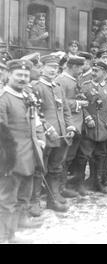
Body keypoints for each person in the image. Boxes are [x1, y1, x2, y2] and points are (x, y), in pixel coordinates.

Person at [0, 59, 45, 243]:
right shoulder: (4, 99)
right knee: (7, 199)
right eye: (19, 75)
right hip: (10, 158)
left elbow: (34, 122)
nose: (23, 79)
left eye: (26, 76)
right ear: (9, 75)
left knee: (23, 195)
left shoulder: (25, 95)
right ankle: (4, 236)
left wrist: (39, 140)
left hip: (28, 154)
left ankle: (16, 227)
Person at [30, 55, 76, 215]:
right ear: (42, 68)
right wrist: (48, 129)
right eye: (49, 67)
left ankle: (52, 198)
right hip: (45, 136)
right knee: (39, 169)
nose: (52, 70)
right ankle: (34, 202)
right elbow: (35, 113)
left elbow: (65, 110)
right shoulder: (36, 87)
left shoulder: (58, 87)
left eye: (55, 68)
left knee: (56, 168)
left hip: (61, 136)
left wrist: (70, 126)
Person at [75, 60, 107, 194]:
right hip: (88, 128)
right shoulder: (85, 86)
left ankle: (97, 182)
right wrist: (87, 117)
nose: (93, 73)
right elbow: (80, 103)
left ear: (105, 73)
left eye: (97, 71)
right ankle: (80, 184)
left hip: (104, 128)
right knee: (84, 155)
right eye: (93, 70)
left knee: (101, 155)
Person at [55, 56, 88, 196]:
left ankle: (76, 184)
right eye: (80, 68)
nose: (82, 70)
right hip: (69, 124)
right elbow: (59, 102)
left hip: (79, 123)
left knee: (78, 156)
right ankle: (61, 188)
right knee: (65, 158)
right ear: (73, 67)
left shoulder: (75, 79)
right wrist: (78, 104)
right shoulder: (61, 80)